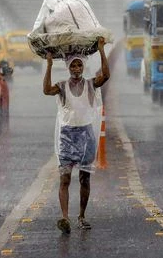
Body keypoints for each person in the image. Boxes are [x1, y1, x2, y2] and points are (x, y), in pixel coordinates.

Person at [43, 37, 109, 234]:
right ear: (68, 67)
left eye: (79, 65)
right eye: (73, 65)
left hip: (86, 136)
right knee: (64, 179)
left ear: (83, 66)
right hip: (67, 137)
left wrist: (101, 50)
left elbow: (106, 75)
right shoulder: (61, 86)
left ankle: (81, 216)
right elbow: (46, 90)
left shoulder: (91, 84)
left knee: (84, 179)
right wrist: (49, 65)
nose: (77, 68)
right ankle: (64, 218)